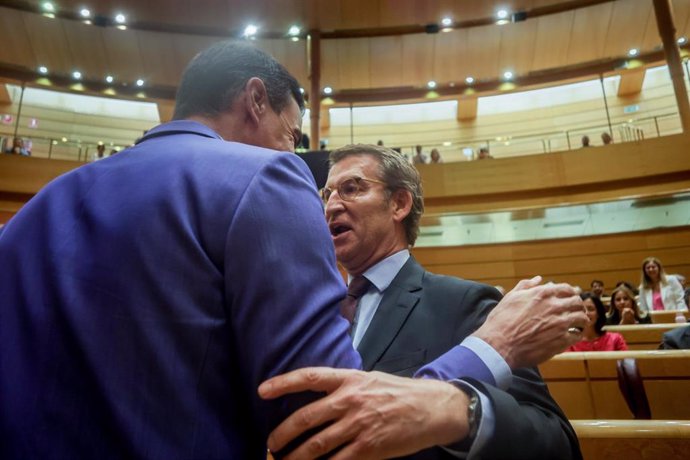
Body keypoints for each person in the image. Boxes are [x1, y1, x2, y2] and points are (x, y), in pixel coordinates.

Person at [0, 41, 587, 460]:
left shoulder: (35, 210)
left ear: (401, 204)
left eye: (350, 188)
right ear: (256, 100)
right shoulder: (262, 178)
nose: (320, 197)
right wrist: (489, 350)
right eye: (292, 135)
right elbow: (317, 424)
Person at [263, 143, 584, 459]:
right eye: (326, 194)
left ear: (399, 203)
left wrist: (462, 413)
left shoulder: (464, 303)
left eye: (351, 188)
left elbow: (557, 443)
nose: (331, 206)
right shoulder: (316, 309)